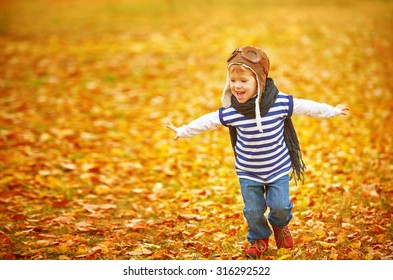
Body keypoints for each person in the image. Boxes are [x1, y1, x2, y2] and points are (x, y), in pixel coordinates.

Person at [166, 46, 349, 257]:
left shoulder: (280, 103)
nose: (237, 86)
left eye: (243, 81)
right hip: (248, 171)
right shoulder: (232, 111)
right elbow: (208, 121)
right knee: (253, 211)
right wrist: (183, 130)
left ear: (259, 82)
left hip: (277, 168)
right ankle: (258, 238)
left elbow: (307, 106)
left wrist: (332, 110)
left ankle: (280, 226)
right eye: (233, 81)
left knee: (279, 207)